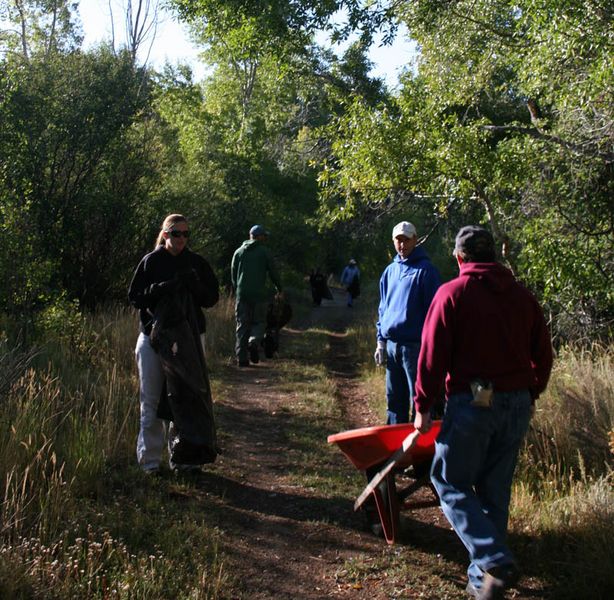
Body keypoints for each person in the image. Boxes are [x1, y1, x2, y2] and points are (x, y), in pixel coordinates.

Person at [413, 226, 553, 600]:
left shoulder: (452, 293)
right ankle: (483, 582)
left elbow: (430, 357)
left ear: (460, 258)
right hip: (516, 404)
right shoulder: (523, 297)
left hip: (473, 404)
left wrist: (422, 407)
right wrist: (530, 391)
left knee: (449, 481)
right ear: (492, 257)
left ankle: (493, 557)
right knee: (494, 492)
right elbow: (544, 354)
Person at [128, 214, 219, 474]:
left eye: (185, 234)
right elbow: (135, 297)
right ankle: (150, 463)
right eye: (176, 233)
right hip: (153, 340)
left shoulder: (196, 262)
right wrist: (164, 287)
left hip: (189, 340)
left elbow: (211, 297)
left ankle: (184, 458)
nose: (181, 238)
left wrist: (194, 285)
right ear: (165, 234)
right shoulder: (151, 262)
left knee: (187, 397)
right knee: (152, 400)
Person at [374, 221, 440, 424]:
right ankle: (397, 448)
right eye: (398, 240)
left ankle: (419, 448)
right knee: (394, 401)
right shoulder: (389, 271)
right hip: (392, 345)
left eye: (407, 240)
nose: (402, 245)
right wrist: (380, 342)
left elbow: (434, 312)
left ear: (415, 239)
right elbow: (383, 308)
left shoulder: (426, 270)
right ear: (393, 241)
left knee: (419, 400)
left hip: (415, 347)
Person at [231, 224, 283, 366]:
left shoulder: (238, 252)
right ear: (258, 236)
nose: (265, 238)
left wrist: (238, 291)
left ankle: (241, 359)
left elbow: (233, 275)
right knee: (259, 322)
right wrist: (280, 288)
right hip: (259, 295)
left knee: (242, 325)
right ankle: (253, 341)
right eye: (264, 236)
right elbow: (273, 273)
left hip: (242, 295)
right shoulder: (264, 252)